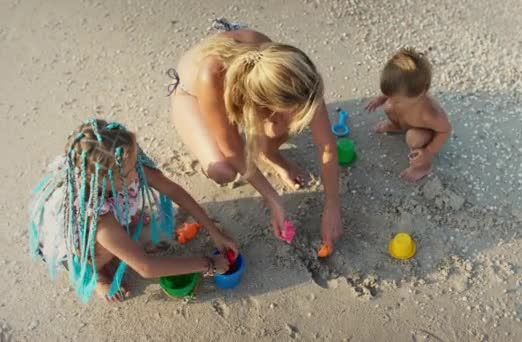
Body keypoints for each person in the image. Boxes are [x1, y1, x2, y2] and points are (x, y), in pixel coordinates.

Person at [168, 19, 342, 254]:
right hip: (192, 94)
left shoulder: (296, 75)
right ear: (264, 106)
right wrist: (273, 199)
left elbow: (327, 145)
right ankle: (259, 140)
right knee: (223, 170)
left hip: (252, 88)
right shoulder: (212, 76)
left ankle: (270, 154)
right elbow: (232, 149)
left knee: (277, 128)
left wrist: (332, 204)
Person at [28, 119, 238, 303]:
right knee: (107, 248)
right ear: (108, 180)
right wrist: (209, 265)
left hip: (110, 204)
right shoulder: (96, 217)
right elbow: (146, 267)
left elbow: (172, 189)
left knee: (132, 222)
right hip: (80, 247)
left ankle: (124, 228)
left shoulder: (123, 161)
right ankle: (98, 274)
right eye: (130, 170)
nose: (137, 168)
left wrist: (214, 231)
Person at [365, 48, 452, 182]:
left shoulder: (428, 114)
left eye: (398, 99)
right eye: (389, 95)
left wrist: (428, 152)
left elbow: (445, 130)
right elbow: (392, 94)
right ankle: (397, 127)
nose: (391, 99)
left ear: (421, 93)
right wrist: (381, 99)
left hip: (423, 132)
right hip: (407, 121)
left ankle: (423, 166)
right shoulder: (402, 97)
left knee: (413, 138)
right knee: (389, 106)